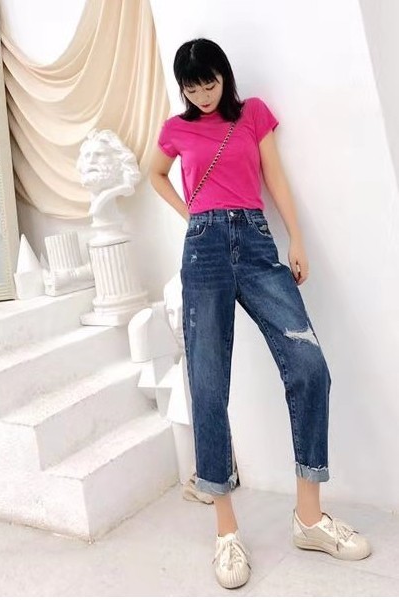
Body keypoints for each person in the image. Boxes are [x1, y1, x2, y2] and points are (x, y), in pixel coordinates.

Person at [149, 38, 371, 590]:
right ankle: (226, 530)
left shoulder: (252, 115)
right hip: (202, 251)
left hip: (255, 241)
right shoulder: (175, 130)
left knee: (309, 367)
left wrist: (296, 237)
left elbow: (275, 177)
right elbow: (153, 174)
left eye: (209, 82)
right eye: (191, 86)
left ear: (224, 76)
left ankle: (309, 518)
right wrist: (191, 214)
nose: (202, 94)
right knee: (208, 385)